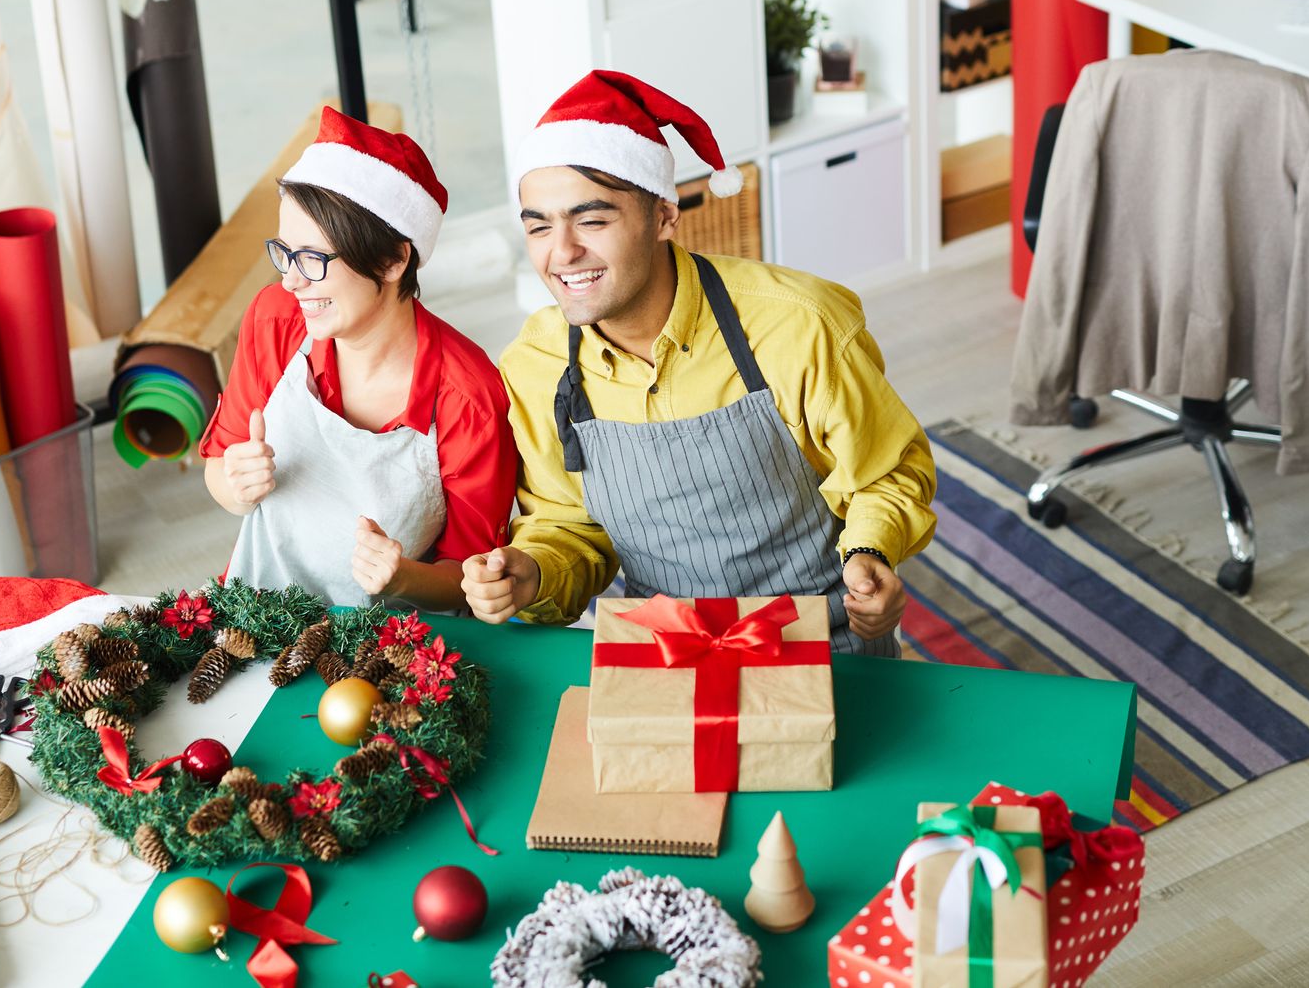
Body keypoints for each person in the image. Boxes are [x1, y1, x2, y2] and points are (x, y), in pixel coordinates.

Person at [460, 71, 937, 655]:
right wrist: (531, 572)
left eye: (592, 220)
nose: (561, 253)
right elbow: (567, 525)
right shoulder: (536, 362)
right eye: (539, 227)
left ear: (664, 215)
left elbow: (886, 472)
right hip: (661, 652)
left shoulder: (799, 324)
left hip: (823, 642)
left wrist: (870, 554)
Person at [200, 109, 516, 609]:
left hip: (397, 650)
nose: (291, 280)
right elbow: (220, 464)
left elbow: (472, 577)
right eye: (285, 253)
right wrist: (237, 487)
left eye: (313, 259)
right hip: (255, 613)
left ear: (393, 260)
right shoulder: (276, 320)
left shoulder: (469, 396)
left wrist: (403, 578)